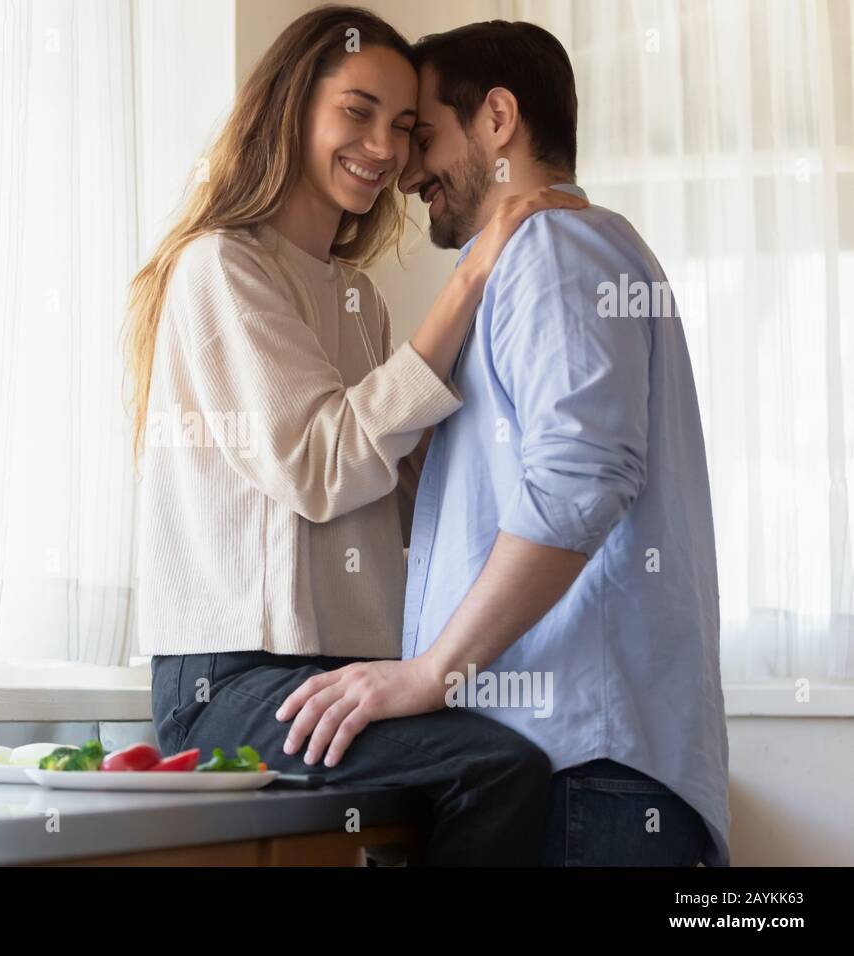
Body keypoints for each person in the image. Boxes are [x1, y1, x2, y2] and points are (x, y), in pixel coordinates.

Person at [124, 5, 585, 865]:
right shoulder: (221, 267)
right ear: (294, 106)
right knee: (499, 771)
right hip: (233, 683)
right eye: (358, 110)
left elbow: (396, 484)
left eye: (405, 127)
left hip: (337, 673)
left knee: (527, 756)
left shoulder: (355, 300)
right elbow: (322, 466)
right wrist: (474, 272)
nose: (384, 146)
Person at [276, 20, 730, 866]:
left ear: (496, 119)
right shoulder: (557, 253)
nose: (406, 172)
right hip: (581, 768)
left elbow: (580, 482)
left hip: (579, 770)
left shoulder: (551, 248)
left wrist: (428, 673)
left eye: (422, 134)